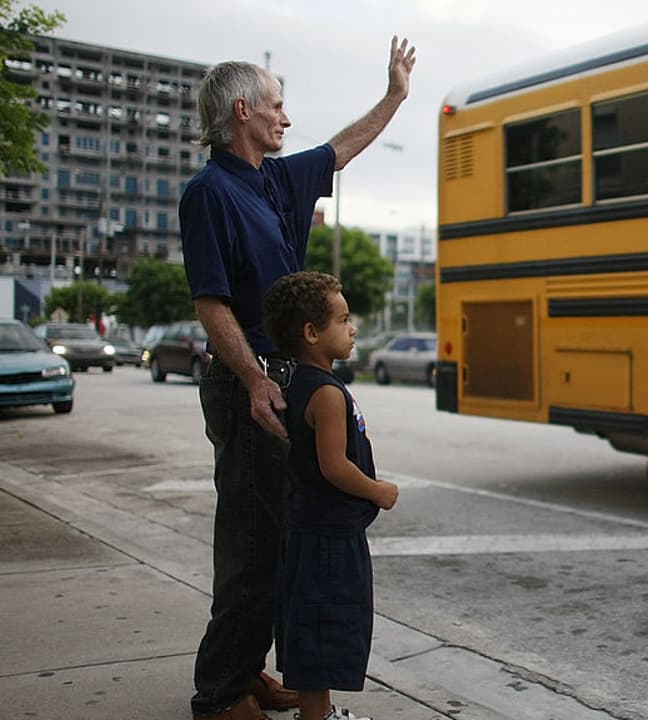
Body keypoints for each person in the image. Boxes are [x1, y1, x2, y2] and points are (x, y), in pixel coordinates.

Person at [179, 37, 416, 720]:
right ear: (244, 111)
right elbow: (211, 303)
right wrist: (254, 380)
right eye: (278, 106)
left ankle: (247, 668)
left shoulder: (275, 180)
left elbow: (342, 147)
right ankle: (220, 692)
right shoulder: (210, 193)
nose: (287, 118)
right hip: (248, 385)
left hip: (290, 382)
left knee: (285, 539)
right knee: (253, 545)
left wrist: (395, 95)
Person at [261, 271, 399, 720]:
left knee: (311, 631)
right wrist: (378, 491)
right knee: (323, 632)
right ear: (312, 332)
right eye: (342, 320)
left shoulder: (301, 382)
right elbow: (334, 466)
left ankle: (313, 713)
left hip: (310, 529)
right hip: (328, 539)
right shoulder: (325, 394)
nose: (353, 328)